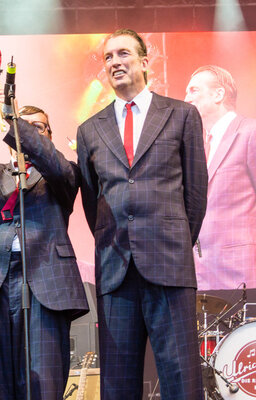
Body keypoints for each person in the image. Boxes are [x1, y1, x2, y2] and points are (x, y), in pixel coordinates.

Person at [76, 29, 208, 399]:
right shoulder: (90, 129)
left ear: (144, 61)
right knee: (117, 383)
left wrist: (177, 238)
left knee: (181, 378)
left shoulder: (182, 114)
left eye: (123, 54)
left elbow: (196, 192)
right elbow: (92, 201)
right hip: (116, 270)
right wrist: (115, 239)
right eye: (108, 57)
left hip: (169, 262)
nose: (115, 62)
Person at [0, 85, 89, 399]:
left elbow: (55, 165)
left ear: (49, 136)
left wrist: (15, 121)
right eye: (19, 126)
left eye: (38, 128)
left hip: (45, 283)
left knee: (43, 387)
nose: (27, 133)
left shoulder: (63, 175)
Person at [184, 65, 256, 290]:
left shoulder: (250, 132)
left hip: (241, 270)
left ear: (219, 94)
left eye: (194, 90)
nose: (186, 98)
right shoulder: (197, 144)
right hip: (201, 274)